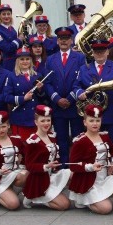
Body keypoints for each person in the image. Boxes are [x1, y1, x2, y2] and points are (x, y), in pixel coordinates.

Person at [68, 104, 113, 214]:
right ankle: (85, 199)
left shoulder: (105, 136)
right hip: (88, 181)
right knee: (106, 209)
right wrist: (90, 167)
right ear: (85, 122)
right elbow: (73, 165)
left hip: (104, 177)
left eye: (98, 120)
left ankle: (100, 197)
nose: (95, 124)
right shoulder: (79, 141)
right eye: (91, 121)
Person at [74, 39, 113, 158]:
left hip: (112, 113)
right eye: (96, 51)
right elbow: (76, 86)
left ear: (107, 52)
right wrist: (80, 92)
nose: (99, 54)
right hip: (92, 116)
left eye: (102, 51)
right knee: (92, 148)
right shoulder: (84, 68)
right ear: (92, 53)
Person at [43, 27, 86, 164]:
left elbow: (81, 80)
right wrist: (56, 99)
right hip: (58, 106)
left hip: (74, 104)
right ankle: (63, 167)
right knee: (61, 138)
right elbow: (47, 82)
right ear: (57, 41)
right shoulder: (50, 59)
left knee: (77, 138)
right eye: (61, 39)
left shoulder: (80, 57)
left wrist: (70, 98)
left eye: (66, 39)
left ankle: (76, 165)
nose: (64, 41)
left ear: (71, 40)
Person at [22, 105, 71, 210]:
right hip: (39, 179)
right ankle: (34, 196)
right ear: (36, 122)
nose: (46, 123)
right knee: (64, 205)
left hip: (52, 175)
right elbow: (29, 166)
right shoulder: (32, 141)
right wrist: (46, 166)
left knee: (73, 173)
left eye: (48, 120)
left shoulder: (52, 136)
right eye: (42, 121)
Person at [0, 111, 28, 209]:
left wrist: (22, 164)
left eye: (3, 126)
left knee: (26, 174)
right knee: (14, 205)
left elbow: (26, 155)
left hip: (14, 174)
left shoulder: (16, 140)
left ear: (8, 126)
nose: (1, 130)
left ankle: (13, 190)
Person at [7, 46, 46, 140]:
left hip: (35, 118)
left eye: (27, 59)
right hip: (20, 118)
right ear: (17, 61)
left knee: (35, 147)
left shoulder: (38, 75)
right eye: (22, 59)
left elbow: (44, 98)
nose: (25, 61)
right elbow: (7, 97)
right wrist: (23, 98)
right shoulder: (11, 76)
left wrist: (40, 90)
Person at [0, 3, 24, 71]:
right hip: (7, 64)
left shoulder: (11, 28)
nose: (6, 16)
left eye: (8, 14)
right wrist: (19, 40)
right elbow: (7, 48)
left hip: (17, 61)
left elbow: (18, 46)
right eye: (4, 14)